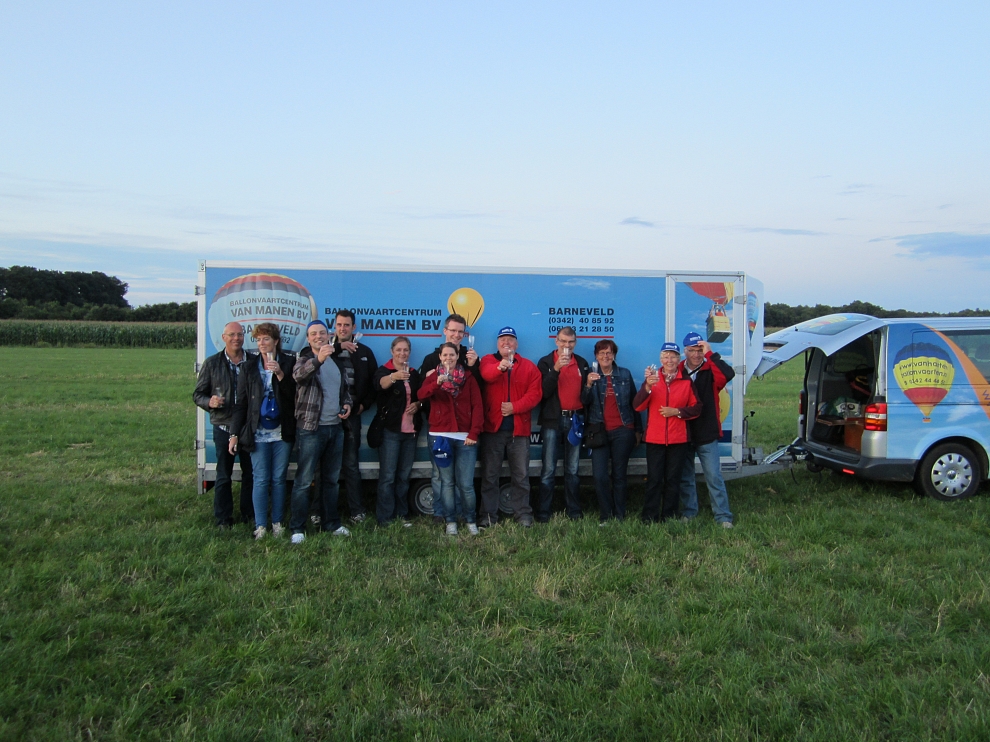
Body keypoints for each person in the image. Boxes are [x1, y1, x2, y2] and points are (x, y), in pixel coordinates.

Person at [228, 323, 297, 540]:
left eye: (266, 339)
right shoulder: (249, 368)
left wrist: (280, 374)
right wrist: (234, 434)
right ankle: (260, 526)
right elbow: (241, 404)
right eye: (258, 340)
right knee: (260, 479)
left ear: (276, 341)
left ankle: (277, 523)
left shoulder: (289, 362)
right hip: (257, 433)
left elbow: (294, 397)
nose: (261, 343)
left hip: (282, 432)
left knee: (278, 479)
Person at [287, 320, 353, 543]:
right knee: (304, 481)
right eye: (313, 334)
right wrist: (319, 360)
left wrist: (347, 404)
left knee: (331, 481)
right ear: (308, 339)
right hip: (310, 430)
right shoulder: (303, 360)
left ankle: (331, 523)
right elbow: (299, 377)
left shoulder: (337, 363)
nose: (318, 336)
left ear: (329, 336)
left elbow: (344, 390)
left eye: (322, 333)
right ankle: (297, 528)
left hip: (335, 428)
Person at [418, 313, 481, 524]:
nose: (456, 334)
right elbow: (422, 392)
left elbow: (477, 392)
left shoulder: (470, 358)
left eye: (460, 331)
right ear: (445, 331)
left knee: (463, 480)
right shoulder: (431, 359)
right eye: (452, 330)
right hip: (439, 427)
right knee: (440, 476)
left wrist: (473, 366)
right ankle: (441, 513)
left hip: (462, 428)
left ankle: (461, 515)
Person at [478, 326, 542, 527]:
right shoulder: (488, 360)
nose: (506, 343)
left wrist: (515, 407)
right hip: (493, 430)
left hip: (519, 431)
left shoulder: (528, 366)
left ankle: (523, 515)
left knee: (521, 476)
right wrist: (500, 367)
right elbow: (487, 375)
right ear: (497, 343)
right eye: (502, 340)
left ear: (517, 344)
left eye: (510, 339)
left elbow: (535, 395)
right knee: (490, 476)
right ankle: (488, 517)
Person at [193, 321, 255, 529]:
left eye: (239, 334)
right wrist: (209, 402)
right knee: (223, 475)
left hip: (247, 428)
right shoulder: (212, 363)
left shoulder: (253, 362)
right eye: (232, 335)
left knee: (250, 474)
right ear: (224, 338)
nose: (236, 338)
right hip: (223, 426)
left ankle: (249, 515)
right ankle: (223, 519)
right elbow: (197, 394)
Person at [633, 342, 701, 523]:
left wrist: (677, 412)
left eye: (673, 356)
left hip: (678, 439)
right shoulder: (653, 379)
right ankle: (649, 517)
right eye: (666, 356)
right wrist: (647, 387)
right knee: (654, 479)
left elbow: (697, 408)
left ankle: (669, 515)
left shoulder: (686, 381)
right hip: (654, 439)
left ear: (679, 359)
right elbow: (638, 406)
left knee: (673, 479)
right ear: (660, 359)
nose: (669, 360)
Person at [678, 332, 736, 528]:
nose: (696, 354)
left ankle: (723, 516)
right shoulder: (678, 370)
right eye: (692, 350)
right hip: (684, 432)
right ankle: (689, 512)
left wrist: (711, 354)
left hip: (707, 432)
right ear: (685, 351)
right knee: (686, 476)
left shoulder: (711, 368)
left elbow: (728, 375)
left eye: (700, 350)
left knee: (713, 476)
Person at [582, 339, 640, 523]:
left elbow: (634, 403)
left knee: (619, 474)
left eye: (609, 353)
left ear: (614, 355)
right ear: (596, 356)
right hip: (598, 431)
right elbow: (583, 402)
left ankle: (619, 514)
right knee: (599, 476)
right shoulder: (590, 375)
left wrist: (638, 430)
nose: (605, 356)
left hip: (623, 430)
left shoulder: (624, 373)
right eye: (602, 353)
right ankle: (605, 514)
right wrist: (588, 385)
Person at [536, 326, 590, 521]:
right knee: (548, 469)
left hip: (575, 420)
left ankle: (574, 511)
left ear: (575, 342)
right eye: (563, 341)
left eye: (571, 342)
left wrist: (589, 386)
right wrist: (556, 369)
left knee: (573, 469)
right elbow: (543, 393)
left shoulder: (582, 363)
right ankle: (543, 512)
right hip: (553, 420)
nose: (567, 345)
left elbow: (586, 397)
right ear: (556, 341)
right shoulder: (545, 362)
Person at [332, 310, 378, 524]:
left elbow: (374, 384)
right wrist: (338, 347)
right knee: (324, 466)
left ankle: (356, 511)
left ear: (353, 327)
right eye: (339, 325)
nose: (343, 328)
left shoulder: (364, 352)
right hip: (327, 417)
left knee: (351, 465)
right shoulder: (326, 349)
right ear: (335, 327)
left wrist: (362, 406)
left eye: (347, 325)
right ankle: (320, 512)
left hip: (352, 417)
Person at [372, 336, 422, 527]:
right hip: (390, 432)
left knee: (403, 476)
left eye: (406, 350)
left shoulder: (413, 374)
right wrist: (394, 377)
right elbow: (379, 384)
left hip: (410, 432)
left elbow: (422, 397)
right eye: (399, 350)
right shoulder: (385, 370)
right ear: (392, 351)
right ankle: (385, 517)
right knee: (388, 477)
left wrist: (418, 404)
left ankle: (401, 515)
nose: (402, 353)